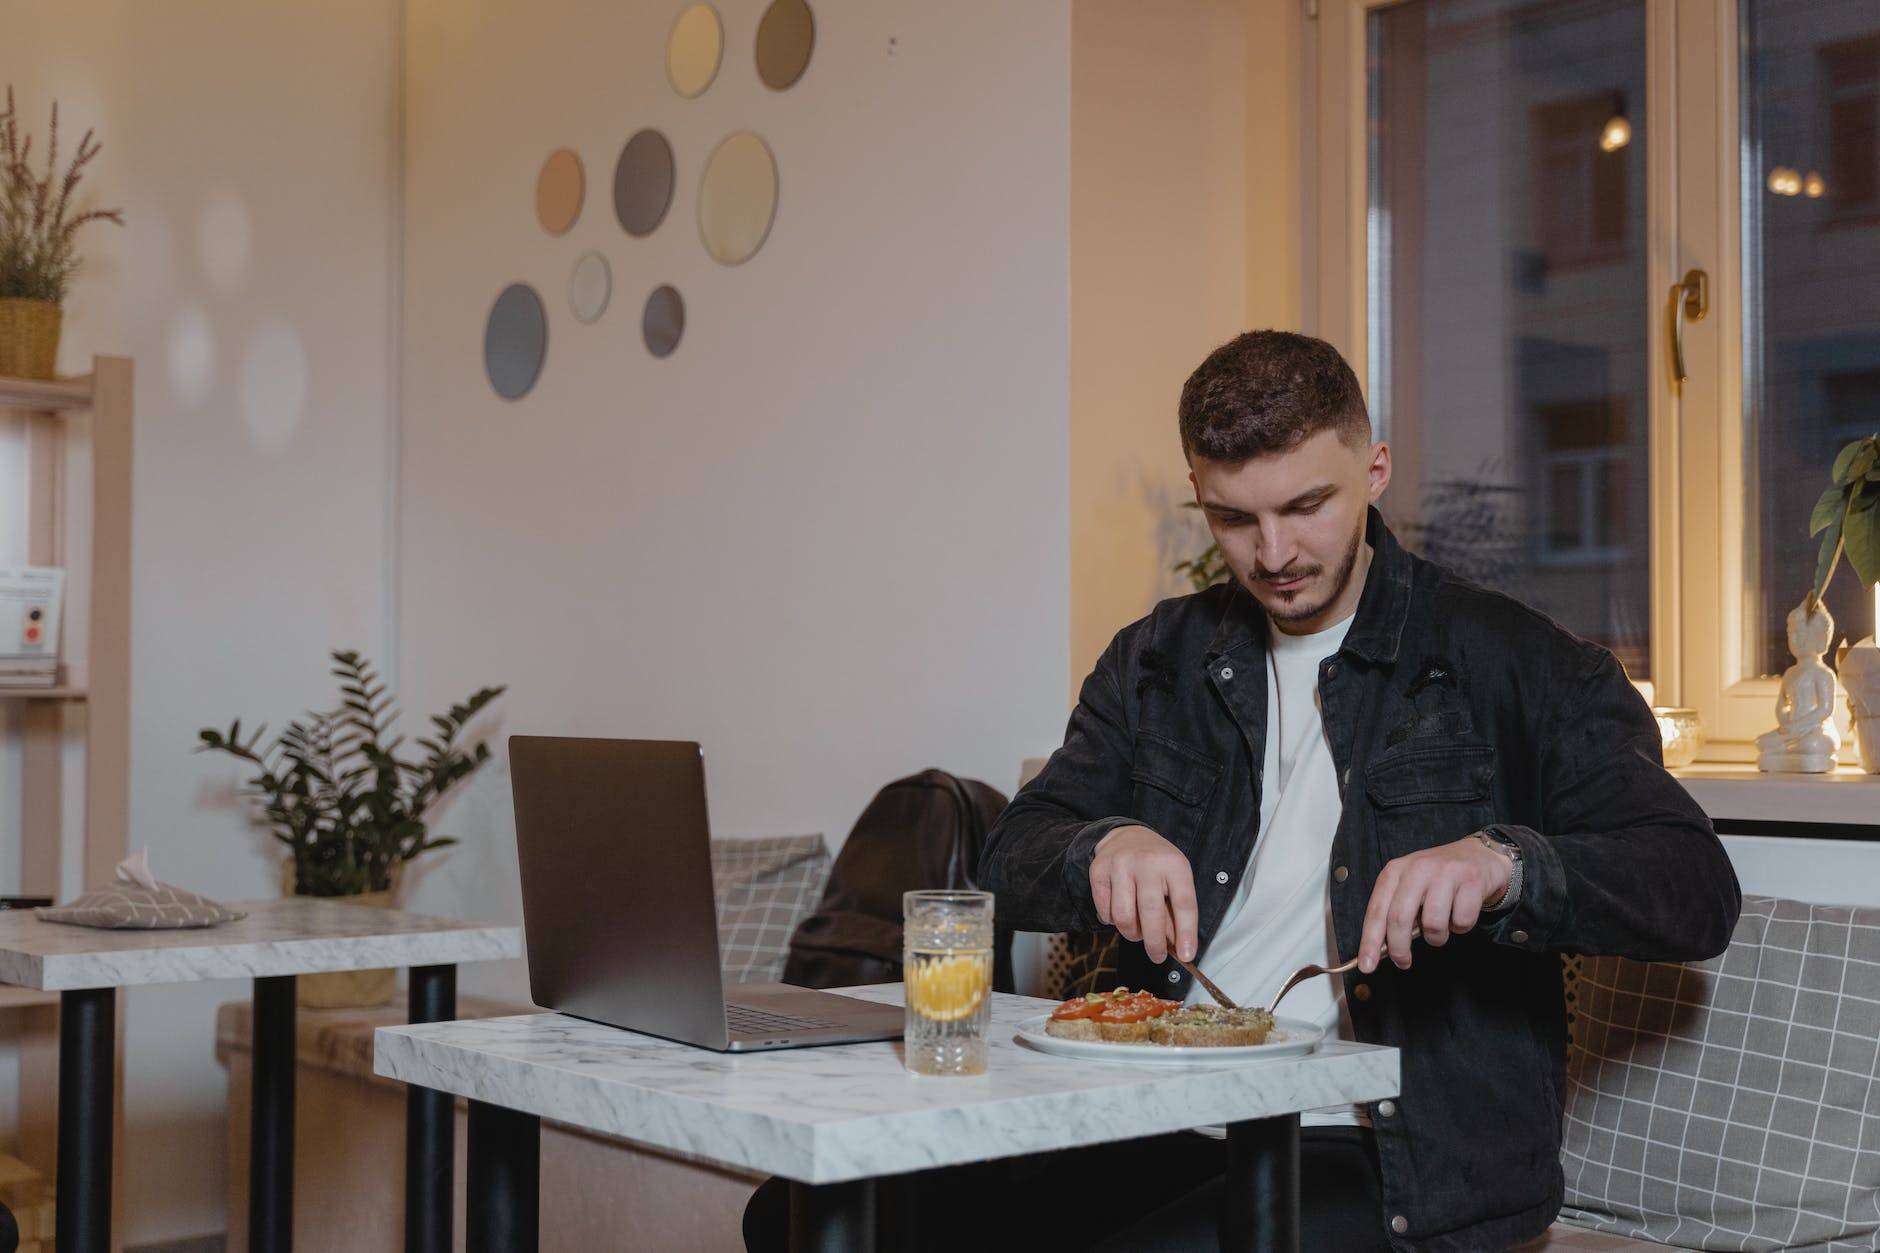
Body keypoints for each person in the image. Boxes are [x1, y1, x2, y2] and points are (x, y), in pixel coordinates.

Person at [743, 330, 1740, 1252]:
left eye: (1304, 506)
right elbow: (1012, 856)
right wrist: (1100, 846)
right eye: (1233, 517)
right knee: (796, 1215)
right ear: (1198, 496)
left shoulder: (1515, 662)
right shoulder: (1155, 659)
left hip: (1379, 1148)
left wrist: (1503, 865)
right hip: (1152, 1109)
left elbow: (1690, 884)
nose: (1272, 554)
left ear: (1373, 471)